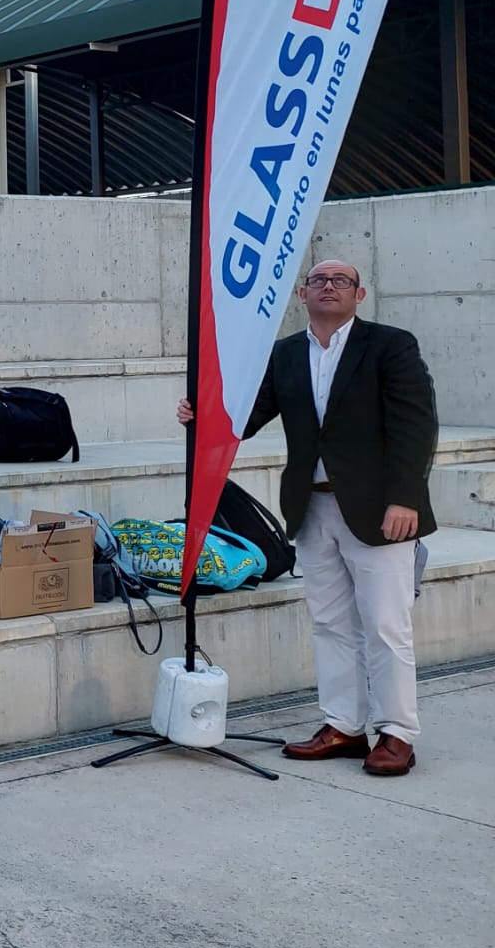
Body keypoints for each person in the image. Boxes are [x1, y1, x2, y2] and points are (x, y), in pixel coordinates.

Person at [177, 259, 437, 776]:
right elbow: (249, 416)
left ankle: (397, 733)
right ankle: (343, 726)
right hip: (311, 507)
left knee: (386, 625)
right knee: (330, 623)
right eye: (318, 280)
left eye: (341, 281)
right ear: (303, 294)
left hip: (378, 510)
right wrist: (202, 414)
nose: (329, 287)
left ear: (359, 294)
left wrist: (405, 498)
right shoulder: (286, 353)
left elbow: (416, 425)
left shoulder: (389, 346)